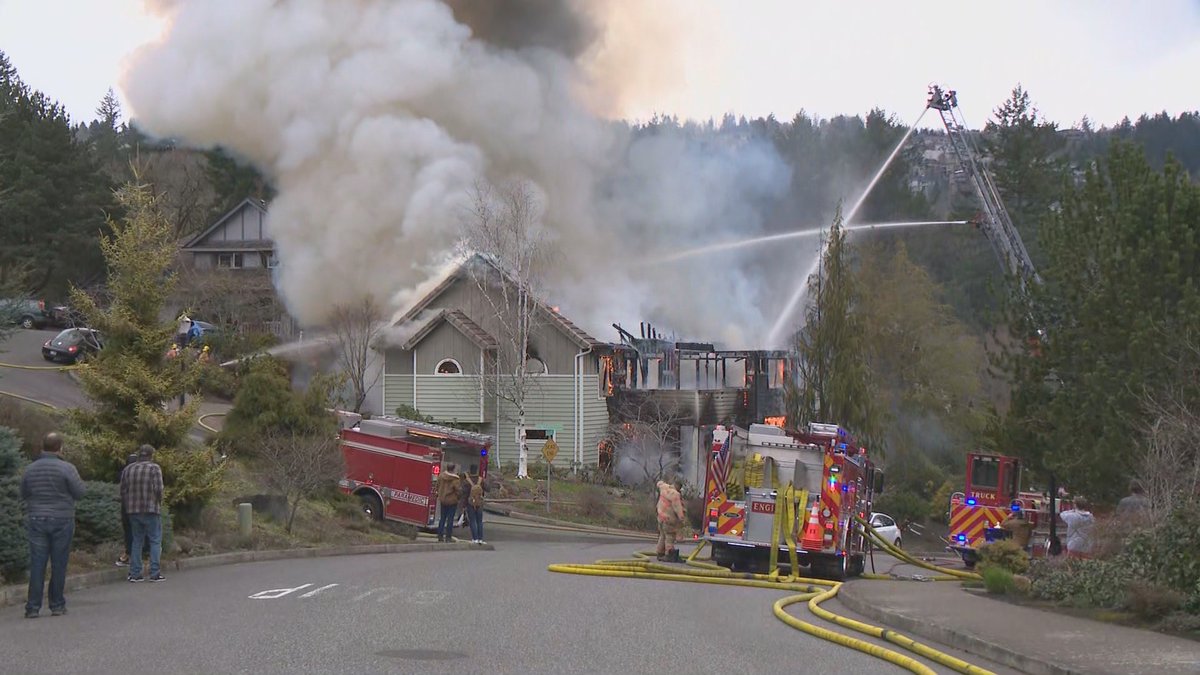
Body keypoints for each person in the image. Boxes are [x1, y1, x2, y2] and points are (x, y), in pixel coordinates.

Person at [20, 432, 86, 618]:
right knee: (59, 563)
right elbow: (80, 492)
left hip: (36, 518)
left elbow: (23, 492)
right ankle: (56, 604)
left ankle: (32, 607)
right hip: (62, 518)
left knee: (37, 563)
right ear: (60, 448)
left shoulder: (30, 468)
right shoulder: (67, 468)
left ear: (43, 447)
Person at [120, 445, 165, 582]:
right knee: (155, 540)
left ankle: (135, 573)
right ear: (151, 455)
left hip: (133, 510)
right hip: (151, 509)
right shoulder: (154, 468)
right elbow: (159, 489)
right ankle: (154, 573)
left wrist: (128, 505)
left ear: (139, 455)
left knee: (136, 541)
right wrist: (158, 502)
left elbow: (123, 490)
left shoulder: (128, 469)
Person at [115, 452, 149, 568]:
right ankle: (140, 556)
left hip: (127, 508)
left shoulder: (124, 474)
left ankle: (130, 557)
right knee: (140, 532)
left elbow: (122, 491)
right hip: (142, 508)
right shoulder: (143, 474)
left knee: (129, 533)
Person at [655, 480, 686, 562]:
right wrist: (682, 518)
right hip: (669, 519)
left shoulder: (664, 488)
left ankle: (660, 553)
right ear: (679, 487)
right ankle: (669, 554)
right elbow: (677, 508)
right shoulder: (675, 494)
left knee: (662, 536)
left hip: (660, 517)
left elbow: (659, 483)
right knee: (670, 537)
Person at [436, 463, 461, 543]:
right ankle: (448, 537)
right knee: (450, 519)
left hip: (443, 500)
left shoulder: (441, 476)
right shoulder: (455, 479)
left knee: (442, 518)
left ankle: (440, 536)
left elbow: (437, 485)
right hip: (452, 501)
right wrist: (459, 497)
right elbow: (458, 490)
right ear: (453, 469)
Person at [462, 468, 486, 545]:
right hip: (479, 503)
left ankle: (474, 538)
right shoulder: (481, 480)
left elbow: (464, 494)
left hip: (470, 503)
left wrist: (464, 505)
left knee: (473, 521)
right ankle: (480, 539)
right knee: (479, 521)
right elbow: (488, 488)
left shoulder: (467, 481)